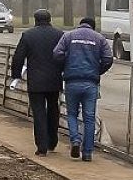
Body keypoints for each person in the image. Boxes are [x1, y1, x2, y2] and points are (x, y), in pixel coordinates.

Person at [52, 16, 113, 162]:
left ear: (80, 25)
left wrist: (65, 67)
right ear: (93, 26)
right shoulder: (99, 39)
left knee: (72, 114)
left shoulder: (68, 36)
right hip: (90, 83)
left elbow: (57, 54)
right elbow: (108, 59)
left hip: (72, 81)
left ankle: (75, 140)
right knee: (89, 118)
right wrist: (98, 70)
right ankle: (87, 153)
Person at [10, 9, 64, 156]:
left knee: (39, 112)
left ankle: (42, 146)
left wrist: (15, 75)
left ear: (35, 20)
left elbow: (18, 57)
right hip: (54, 79)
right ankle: (52, 141)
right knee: (53, 109)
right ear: (50, 19)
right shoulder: (59, 35)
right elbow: (65, 55)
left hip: (36, 81)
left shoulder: (28, 35)